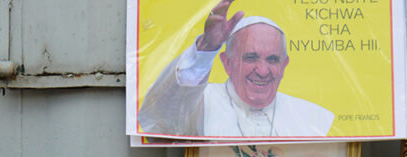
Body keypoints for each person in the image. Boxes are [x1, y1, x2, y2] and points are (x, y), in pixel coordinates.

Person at [138, 0, 334, 138]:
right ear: (227, 63)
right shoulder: (200, 103)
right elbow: (161, 121)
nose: (263, 71)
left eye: (273, 60)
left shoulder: (312, 117)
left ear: (284, 66)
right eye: (250, 57)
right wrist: (207, 48)